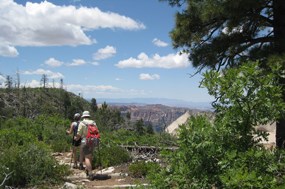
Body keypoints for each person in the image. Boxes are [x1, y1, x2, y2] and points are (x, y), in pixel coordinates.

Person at [74, 110, 98, 180]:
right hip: (93, 141)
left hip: (85, 141)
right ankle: (87, 170)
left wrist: (76, 138)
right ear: (88, 116)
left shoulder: (82, 123)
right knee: (90, 156)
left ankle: (90, 174)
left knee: (87, 158)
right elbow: (97, 131)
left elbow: (79, 134)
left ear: (83, 116)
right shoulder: (93, 122)